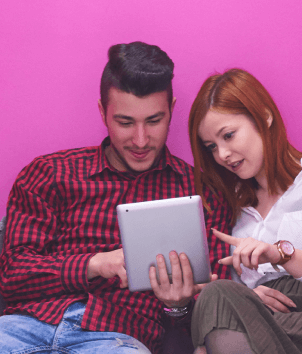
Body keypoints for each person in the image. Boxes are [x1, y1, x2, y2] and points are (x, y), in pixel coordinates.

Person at [0, 42, 232, 354]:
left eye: (153, 121)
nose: (140, 140)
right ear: (102, 112)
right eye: (125, 122)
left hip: (116, 339)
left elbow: (210, 315)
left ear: (172, 111)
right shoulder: (49, 173)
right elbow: (12, 276)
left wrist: (176, 306)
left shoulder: (203, 196)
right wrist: (94, 264)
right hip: (23, 327)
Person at [188, 68, 302, 354]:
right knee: (217, 298)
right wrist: (249, 298)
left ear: (264, 116)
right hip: (267, 324)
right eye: (212, 146)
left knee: (218, 310)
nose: (222, 154)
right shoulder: (232, 206)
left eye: (229, 135)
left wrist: (283, 254)